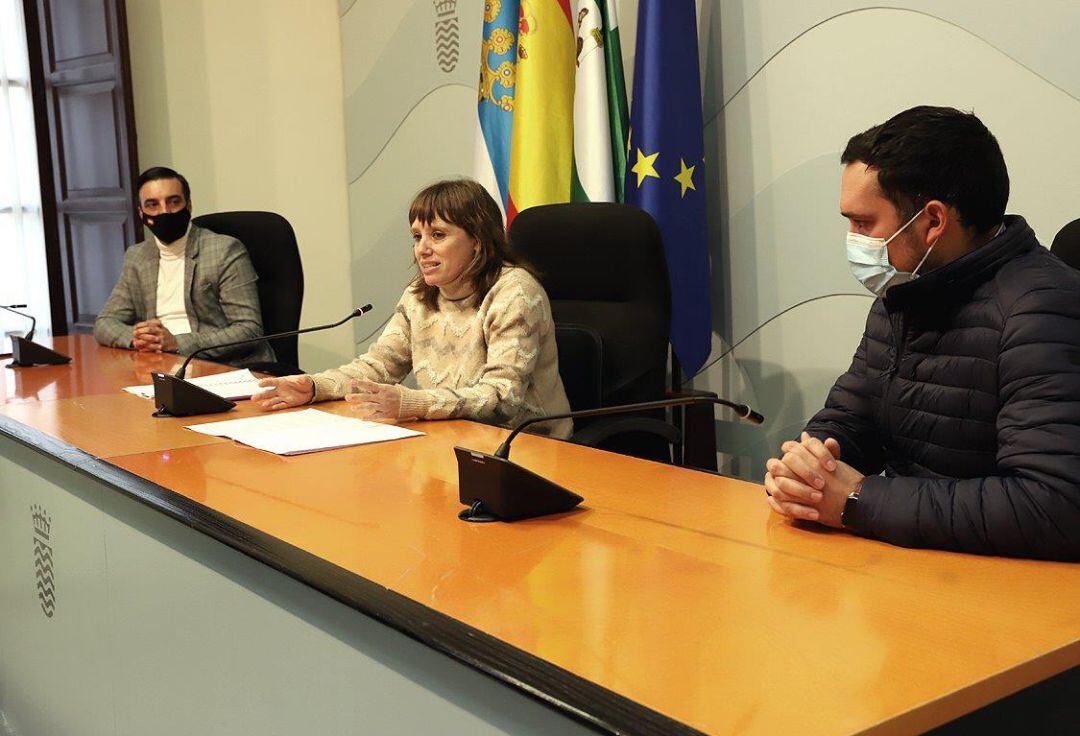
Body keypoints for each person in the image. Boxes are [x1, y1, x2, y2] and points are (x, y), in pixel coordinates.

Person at [763, 106, 1080, 560]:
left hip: (1008, 593)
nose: (854, 239)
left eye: (864, 222)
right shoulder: (906, 289)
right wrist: (809, 469)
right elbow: (853, 416)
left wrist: (858, 501)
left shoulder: (1044, 308)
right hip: (912, 563)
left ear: (932, 222)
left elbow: (1054, 506)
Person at [253, 178, 573, 438]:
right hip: (454, 437)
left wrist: (413, 403)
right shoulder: (419, 296)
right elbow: (379, 366)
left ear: (478, 240)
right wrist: (312, 387)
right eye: (417, 236)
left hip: (528, 446)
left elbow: (502, 397)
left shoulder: (515, 292)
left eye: (437, 235)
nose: (422, 249)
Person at [94, 167, 274, 366]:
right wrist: (138, 338)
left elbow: (249, 329)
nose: (164, 212)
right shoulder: (137, 256)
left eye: (173, 201)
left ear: (188, 205)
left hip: (224, 366)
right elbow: (105, 323)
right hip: (161, 364)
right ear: (141, 213)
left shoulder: (225, 250)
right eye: (152, 205)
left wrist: (178, 343)